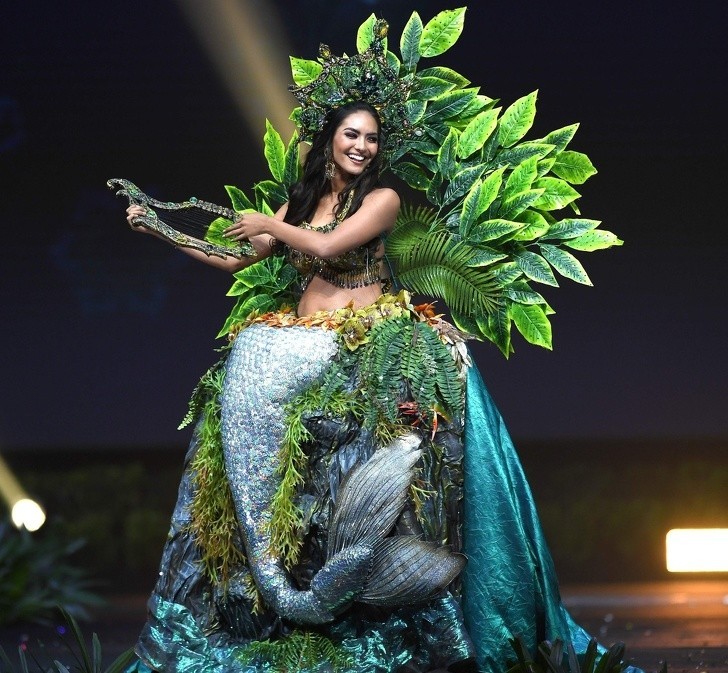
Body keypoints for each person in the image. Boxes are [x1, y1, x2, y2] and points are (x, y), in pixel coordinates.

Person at [122, 11, 633, 673]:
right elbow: (234, 259)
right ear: (330, 135)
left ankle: (386, 605)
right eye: (351, 134)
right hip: (297, 340)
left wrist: (273, 225)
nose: (360, 146)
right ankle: (263, 600)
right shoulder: (299, 199)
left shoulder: (382, 200)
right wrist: (158, 228)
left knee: (378, 445)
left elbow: (331, 246)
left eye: (370, 137)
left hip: (367, 340)